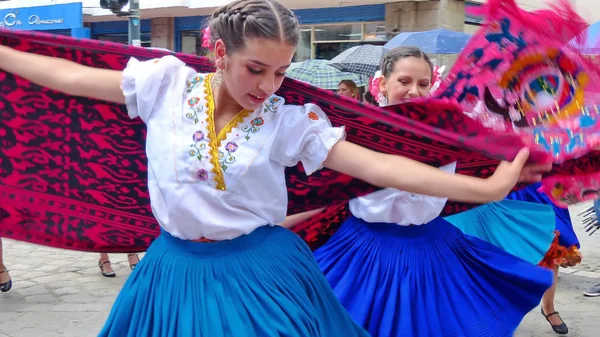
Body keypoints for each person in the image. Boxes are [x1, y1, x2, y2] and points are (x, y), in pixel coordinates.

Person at [0, 1, 550, 335]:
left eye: (281, 72)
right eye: (255, 69)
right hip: (169, 269)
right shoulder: (163, 83)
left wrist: (486, 187)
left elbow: (380, 166)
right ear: (219, 53)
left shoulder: (290, 122)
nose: (267, 87)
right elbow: (69, 79)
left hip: (258, 272)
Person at [283, 46, 556, 337]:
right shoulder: (352, 132)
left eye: (423, 84)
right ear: (382, 84)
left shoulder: (448, 134)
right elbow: (322, 193)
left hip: (433, 251)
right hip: (362, 253)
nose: (414, 91)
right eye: (404, 81)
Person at [506, 183, 582, 335]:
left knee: (554, 245)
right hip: (511, 184)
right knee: (509, 249)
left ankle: (548, 307)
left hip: (544, 184)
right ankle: (506, 310)